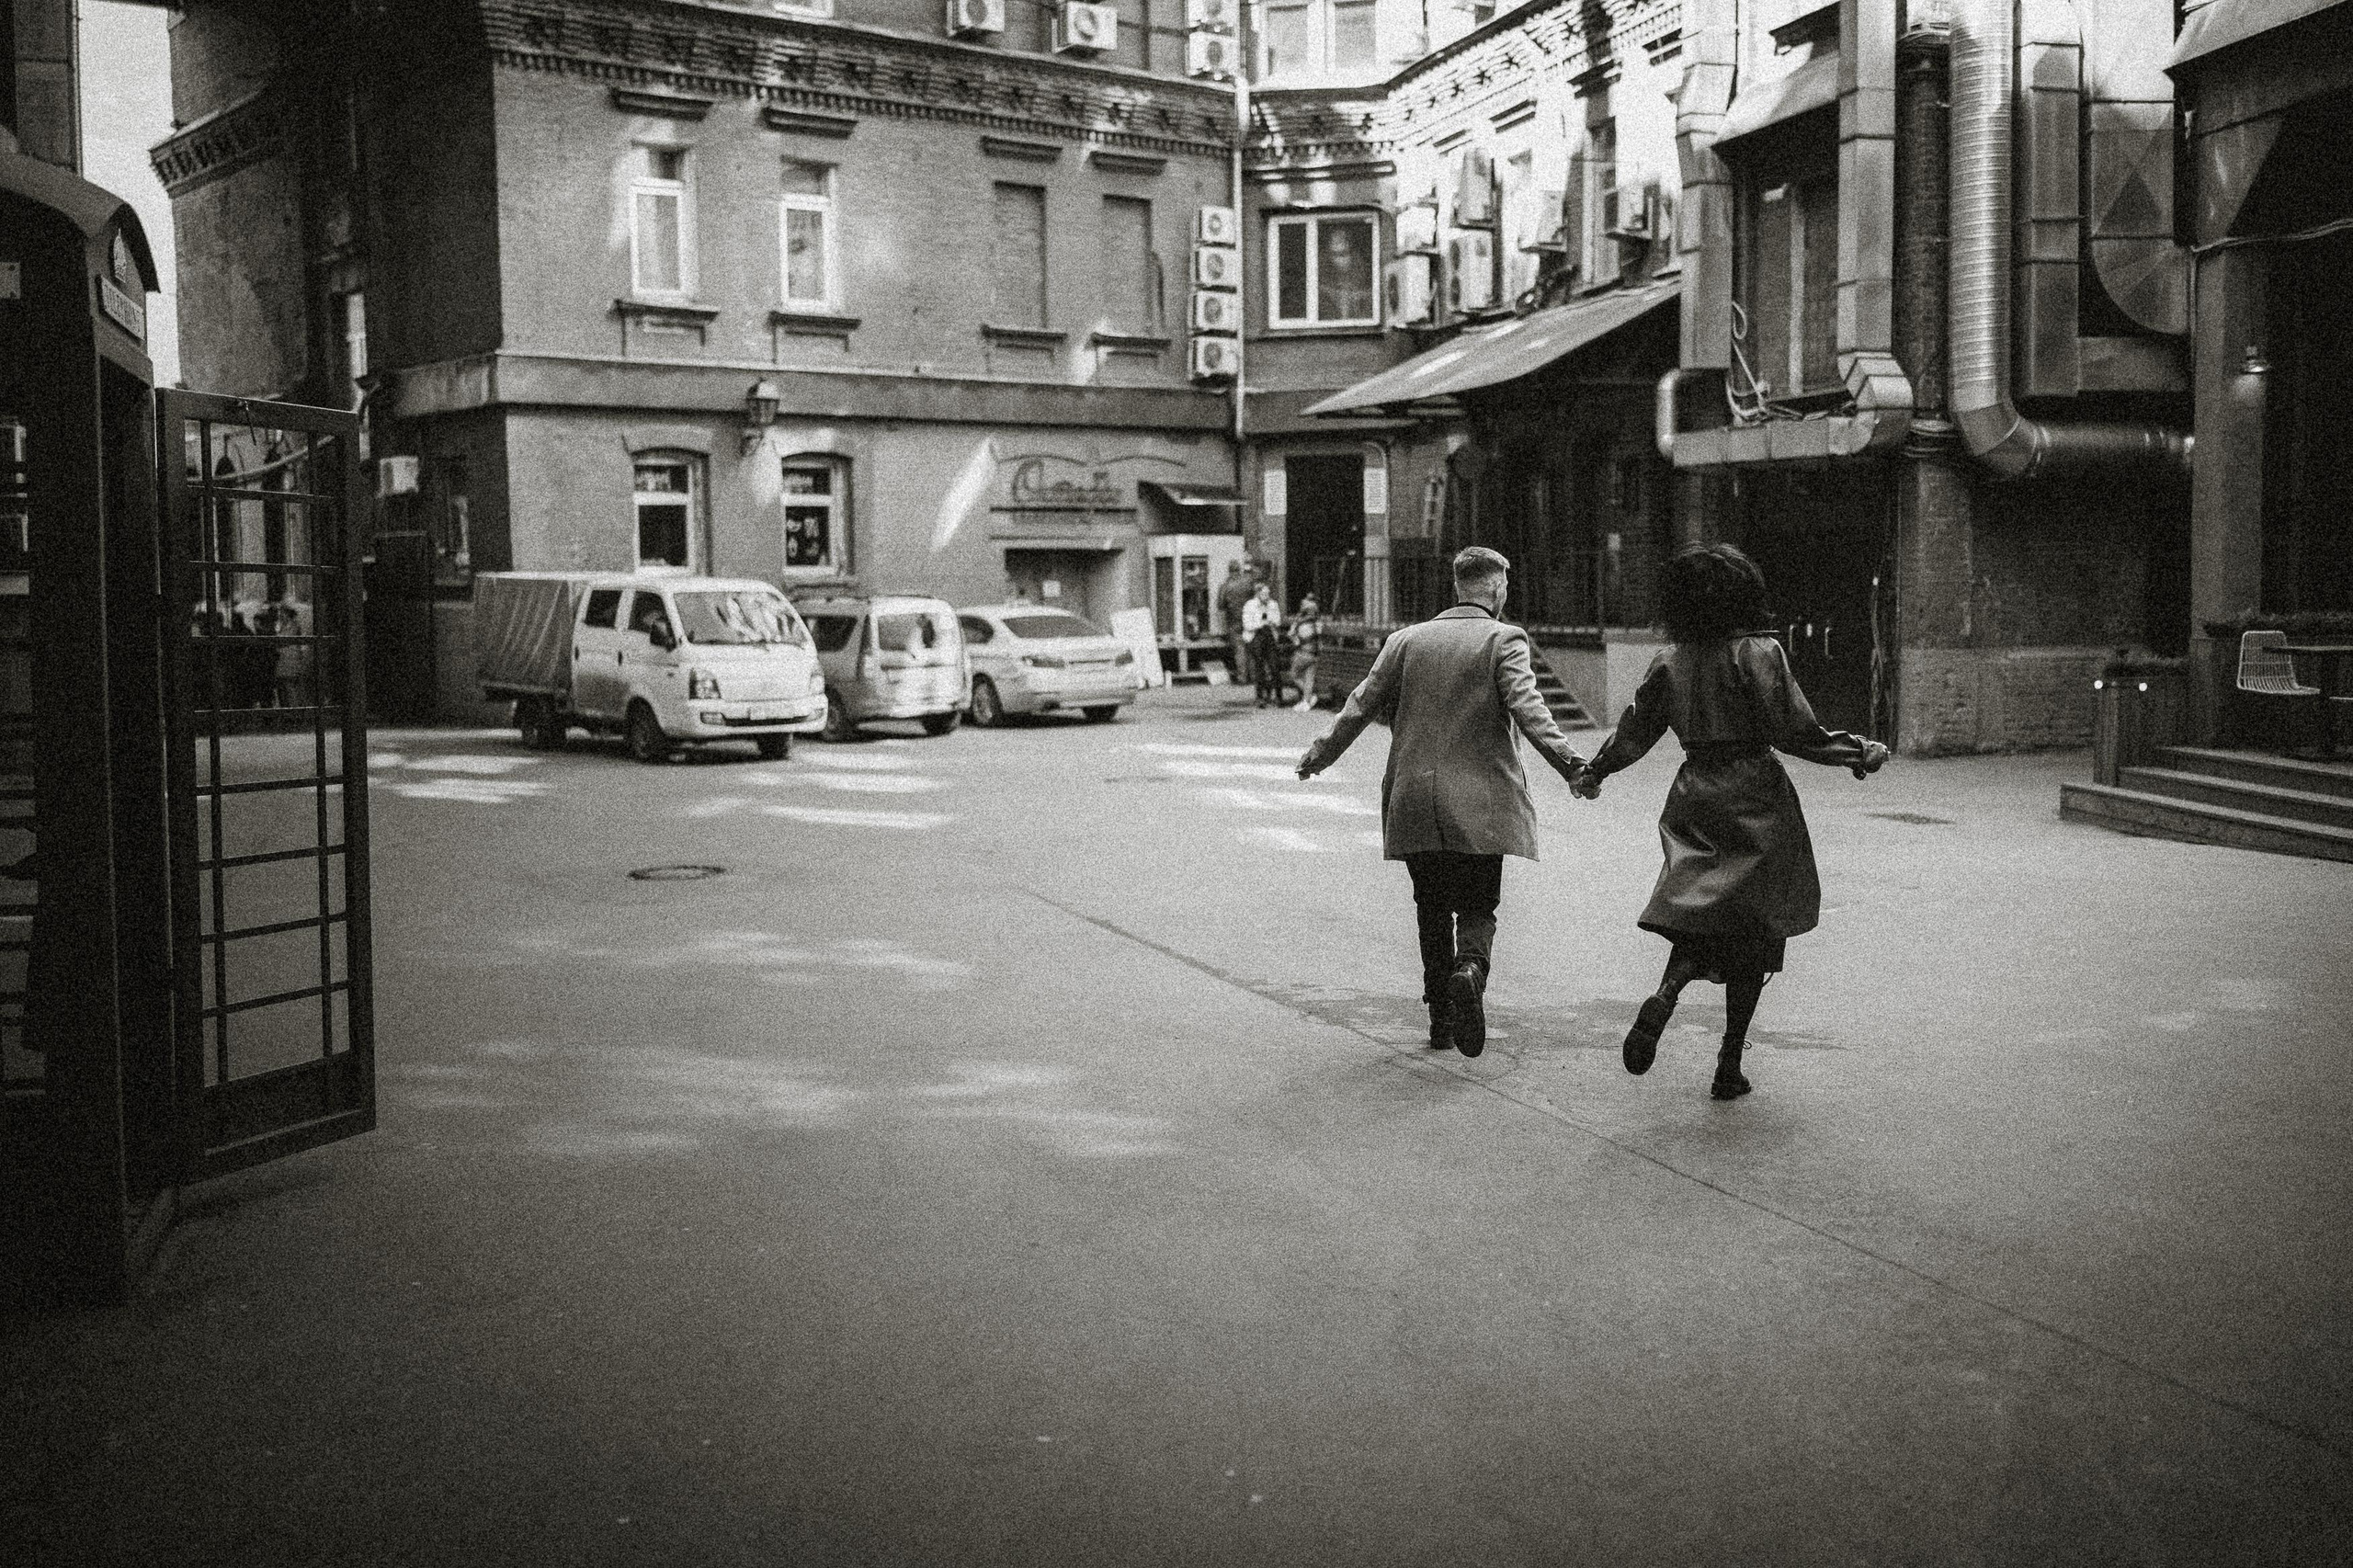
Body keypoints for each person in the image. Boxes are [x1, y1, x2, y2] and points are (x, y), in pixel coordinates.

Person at [1573, 543, 1890, 1100]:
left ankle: (1668, 991)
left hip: (1695, 793)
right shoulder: (1759, 653)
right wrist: (1857, 752)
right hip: (1755, 796)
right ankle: (1727, 1064)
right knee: (1755, 928)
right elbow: (1795, 730)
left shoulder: (1670, 661)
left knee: (1699, 911)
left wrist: (1594, 771)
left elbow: (1633, 733)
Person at [1296, 546, 1589, 1056]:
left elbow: (1360, 705)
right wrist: (1573, 766)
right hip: (1482, 803)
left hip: (1415, 799)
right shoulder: (1504, 639)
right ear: (1497, 588)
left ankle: (1440, 1019)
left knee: (1430, 906)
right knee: (1478, 903)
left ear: (1458, 588)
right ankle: (1470, 970)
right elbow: (1530, 710)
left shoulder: (1405, 641)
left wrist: (1321, 755)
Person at [1242, 581, 1283, 707]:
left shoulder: (1273, 604)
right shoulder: (1250, 605)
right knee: (1259, 667)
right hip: (1256, 636)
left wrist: (1272, 621)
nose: (1267, 596)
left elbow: (1278, 621)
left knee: (1274, 666)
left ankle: (1278, 696)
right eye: (1264, 593)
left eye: (1268, 593)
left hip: (1270, 636)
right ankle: (1261, 697)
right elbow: (1247, 625)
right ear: (1258, 593)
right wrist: (1261, 623)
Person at [1218, 561, 1256, 687]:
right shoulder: (1248, 583)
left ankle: (1242, 677)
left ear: (1229, 570)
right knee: (1251, 647)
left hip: (1234, 620)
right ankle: (1254, 676)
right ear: (1239, 570)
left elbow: (1221, 605)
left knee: (1239, 650)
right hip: (1249, 619)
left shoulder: (1225, 586)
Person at [1289, 594, 1322, 710]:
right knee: (1309, 679)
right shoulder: (1317, 621)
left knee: (1294, 675)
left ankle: (1310, 697)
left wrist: (1296, 640)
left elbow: (1291, 633)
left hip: (1303, 652)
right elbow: (1319, 633)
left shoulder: (1299, 620)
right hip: (1315, 653)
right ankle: (1306, 702)